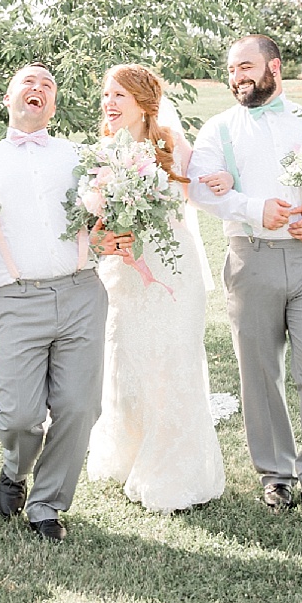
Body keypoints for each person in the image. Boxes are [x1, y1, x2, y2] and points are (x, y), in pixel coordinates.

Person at [188, 34, 302, 513]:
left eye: (246, 66)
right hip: (250, 257)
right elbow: (203, 190)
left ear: (274, 67)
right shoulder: (218, 129)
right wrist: (255, 207)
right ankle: (276, 473)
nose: (237, 77)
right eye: (232, 69)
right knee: (259, 370)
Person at [0, 63, 116, 543]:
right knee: (21, 416)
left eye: (48, 85)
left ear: (53, 104)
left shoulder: (81, 158)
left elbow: (106, 221)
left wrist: (115, 233)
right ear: (7, 100)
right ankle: (14, 468)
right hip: (16, 299)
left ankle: (46, 504)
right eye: (29, 82)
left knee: (79, 406)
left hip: (82, 290)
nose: (39, 89)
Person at [85, 64, 226, 513]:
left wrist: (223, 181)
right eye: (106, 95)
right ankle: (129, 453)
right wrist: (107, 234)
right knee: (127, 361)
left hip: (172, 272)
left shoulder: (173, 145)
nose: (108, 103)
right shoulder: (100, 154)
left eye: (118, 95)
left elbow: (204, 187)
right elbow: (90, 221)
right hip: (123, 272)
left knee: (172, 359)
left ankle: (173, 465)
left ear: (144, 103)